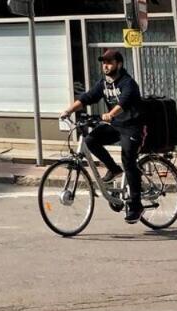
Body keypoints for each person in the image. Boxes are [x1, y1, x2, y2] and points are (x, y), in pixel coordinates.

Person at [60, 49, 143, 223]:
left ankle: (136, 205)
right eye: (104, 62)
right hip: (115, 125)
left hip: (132, 127)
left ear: (119, 64)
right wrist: (68, 111)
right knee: (90, 140)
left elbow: (123, 102)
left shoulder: (128, 83)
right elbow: (88, 97)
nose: (105, 65)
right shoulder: (104, 83)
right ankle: (113, 169)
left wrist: (110, 114)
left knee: (128, 161)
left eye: (109, 62)